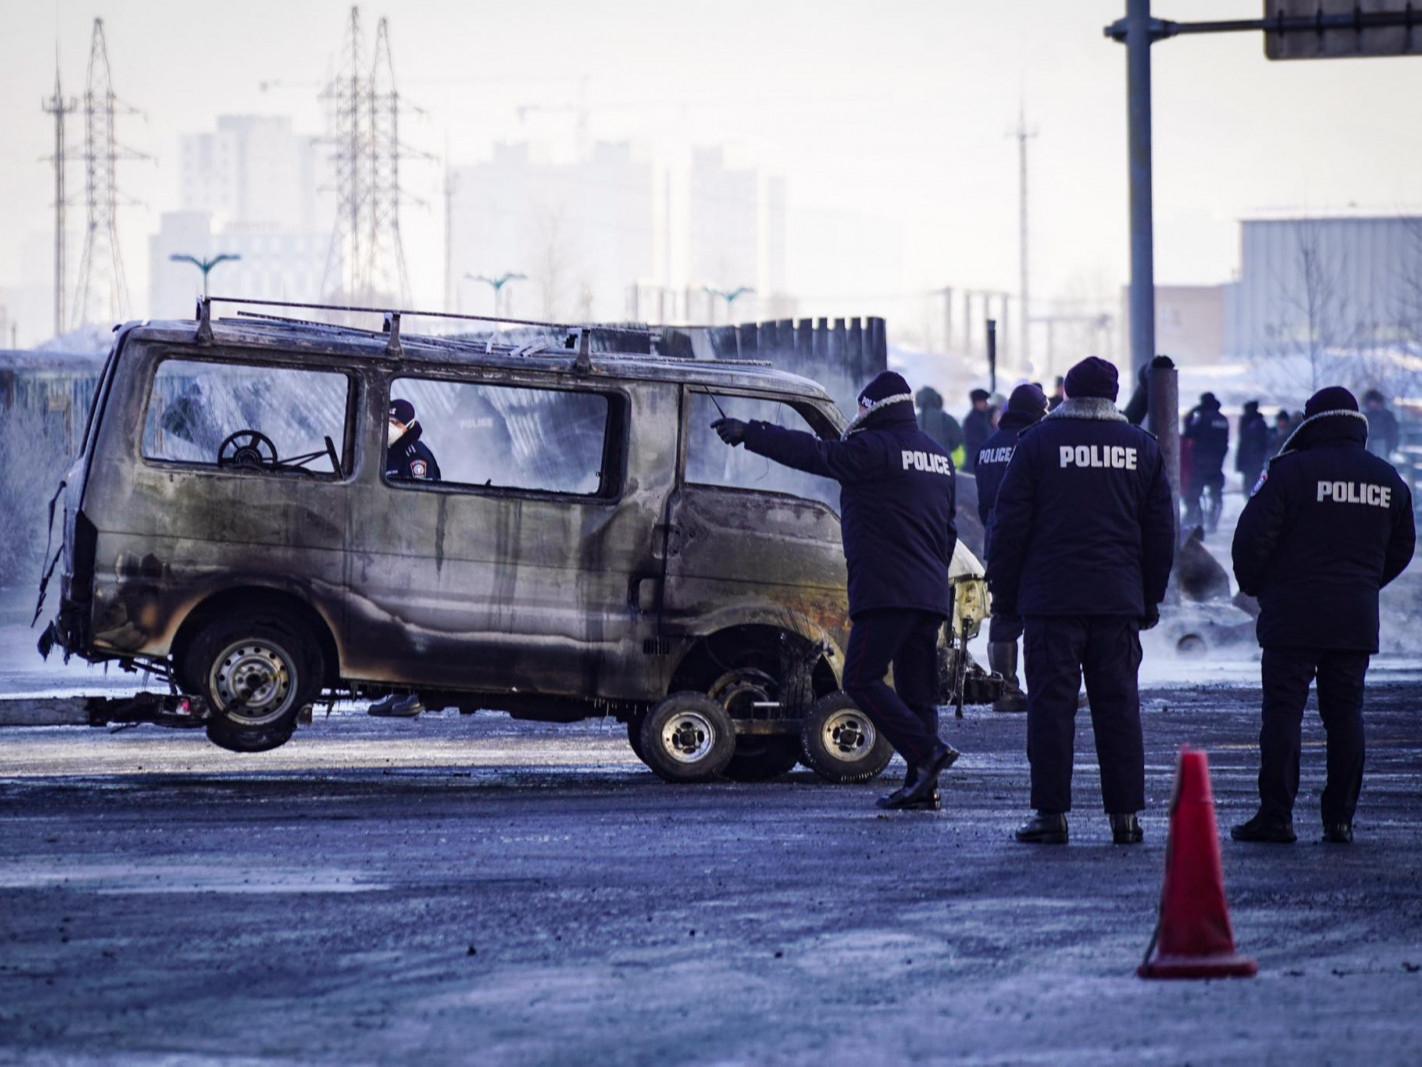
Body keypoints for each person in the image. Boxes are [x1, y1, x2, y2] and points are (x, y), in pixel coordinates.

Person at [712, 370, 960, 811]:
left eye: (863, 407)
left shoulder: (873, 450)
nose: (858, 415)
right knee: (916, 691)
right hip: (929, 592)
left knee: (861, 678)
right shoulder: (937, 456)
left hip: (887, 589)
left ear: (874, 408)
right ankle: (924, 786)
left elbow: (814, 453)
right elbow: (948, 530)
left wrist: (751, 433)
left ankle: (926, 752)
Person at [987, 357, 1175, 846]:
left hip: (1051, 603)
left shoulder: (1037, 444)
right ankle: (1126, 817)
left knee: (1051, 710)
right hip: (1117, 603)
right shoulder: (1142, 448)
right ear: (1113, 396)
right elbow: (1160, 534)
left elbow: (1008, 528)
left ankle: (1051, 815)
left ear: (1066, 392)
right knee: (1119, 709)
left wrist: (1005, 599)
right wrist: (1148, 598)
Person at [1230, 386, 1415, 845]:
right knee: (1346, 715)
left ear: (1310, 424)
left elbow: (1251, 537)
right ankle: (1340, 819)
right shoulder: (1388, 479)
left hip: (1291, 615)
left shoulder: (1288, 473)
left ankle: (1276, 817)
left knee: (1283, 714)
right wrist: (1364, 583)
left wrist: (1258, 586)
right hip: (1353, 618)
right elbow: (1403, 547)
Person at [973, 382, 1049, 713]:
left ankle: (1003, 688)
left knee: (1003, 614)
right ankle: (1046, 689)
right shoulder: (1033, 444)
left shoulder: (988, 447)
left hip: (996, 541)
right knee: (1038, 614)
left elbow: (982, 504)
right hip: (1032, 542)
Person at [370, 399, 443, 718]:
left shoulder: (417, 458)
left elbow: (422, 512)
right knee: (394, 625)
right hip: (394, 553)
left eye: (396, 423)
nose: (390, 428)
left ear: (409, 426)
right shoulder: (388, 453)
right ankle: (398, 688)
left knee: (415, 626)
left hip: (417, 556)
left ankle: (417, 692)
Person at [1182, 392, 1230, 533]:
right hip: (1217, 465)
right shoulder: (1223, 419)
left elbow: (1188, 432)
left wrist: (1193, 412)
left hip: (1201, 464)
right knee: (1216, 495)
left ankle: (1197, 521)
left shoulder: (1202, 418)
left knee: (1193, 495)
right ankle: (1212, 523)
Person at [385, 398, 442, 482]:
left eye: (395, 423)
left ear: (409, 426)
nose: (390, 426)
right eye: (388, 421)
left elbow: (423, 492)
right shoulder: (386, 449)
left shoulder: (416, 455)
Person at [915, 386, 964, 456]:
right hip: (943, 461)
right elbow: (958, 439)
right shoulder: (946, 418)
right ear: (937, 399)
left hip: (919, 463)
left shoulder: (914, 420)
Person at [1235, 399, 1270, 495]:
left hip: (1253, 461)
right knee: (1249, 485)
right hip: (1250, 461)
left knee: (1252, 485)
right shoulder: (1252, 422)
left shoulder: (1255, 424)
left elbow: (1252, 443)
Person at [1362, 389, 1400, 462]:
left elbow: (1393, 432)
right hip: (1368, 446)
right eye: (1370, 402)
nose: (1372, 404)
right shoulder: (1364, 416)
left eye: (1374, 401)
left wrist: (1392, 446)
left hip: (1384, 445)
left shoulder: (1388, 416)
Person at [962, 389, 994, 472]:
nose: (986, 404)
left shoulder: (983, 418)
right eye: (984, 401)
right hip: (976, 463)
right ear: (976, 403)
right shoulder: (972, 420)